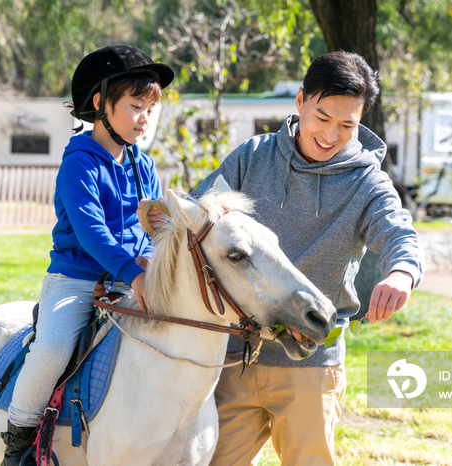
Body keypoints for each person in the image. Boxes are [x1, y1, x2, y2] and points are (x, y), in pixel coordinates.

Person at [175, 51, 425, 465]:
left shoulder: (368, 182)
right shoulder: (252, 157)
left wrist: (401, 273)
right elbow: (198, 213)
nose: (331, 134)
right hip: (237, 357)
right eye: (322, 117)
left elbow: (399, 231)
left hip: (311, 364)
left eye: (348, 124)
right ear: (300, 100)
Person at [0, 44, 174, 466]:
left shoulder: (144, 164)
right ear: (100, 104)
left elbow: (151, 226)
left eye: (150, 109)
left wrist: (155, 260)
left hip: (132, 275)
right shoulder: (80, 163)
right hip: (76, 279)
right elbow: (91, 231)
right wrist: (133, 272)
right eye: (135, 106)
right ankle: (18, 441)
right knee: (54, 348)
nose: (144, 118)